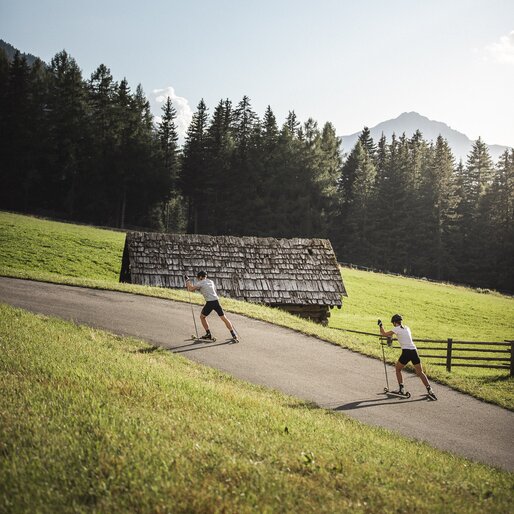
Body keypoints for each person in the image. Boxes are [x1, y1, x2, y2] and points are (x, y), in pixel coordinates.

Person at [378, 314, 436, 398]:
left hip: (406, 352)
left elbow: (384, 334)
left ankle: (401, 389)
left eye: (393, 323)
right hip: (414, 351)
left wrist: (380, 325)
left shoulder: (396, 329)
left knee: (398, 369)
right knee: (420, 372)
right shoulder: (406, 327)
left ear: (394, 322)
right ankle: (430, 390)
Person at [185, 271, 238, 341]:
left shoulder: (201, 282)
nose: (198, 279)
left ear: (200, 277)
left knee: (202, 317)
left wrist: (188, 281)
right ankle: (233, 334)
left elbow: (191, 289)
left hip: (210, 302)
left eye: (198, 277)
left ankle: (208, 334)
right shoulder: (211, 281)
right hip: (216, 301)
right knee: (224, 318)